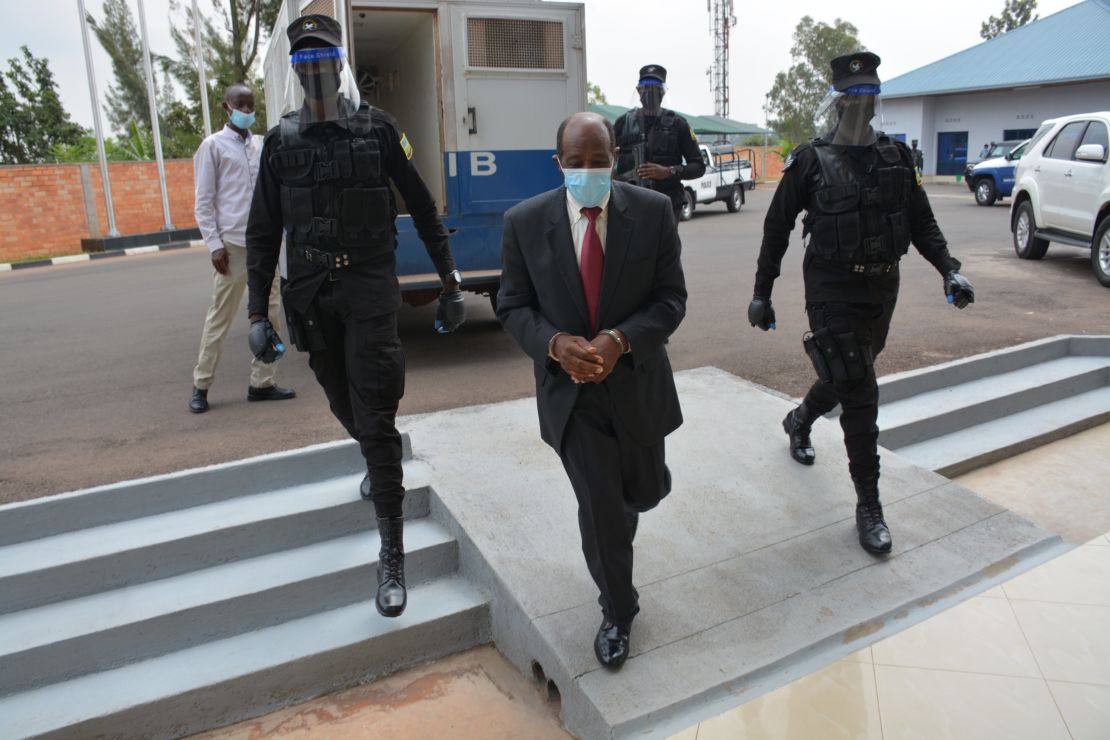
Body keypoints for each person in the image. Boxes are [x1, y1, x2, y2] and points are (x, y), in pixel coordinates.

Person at [245, 14, 466, 619]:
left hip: (369, 290)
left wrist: (449, 278)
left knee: (374, 410)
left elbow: (421, 206)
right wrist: (256, 313)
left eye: (322, 61)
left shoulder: (377, 131)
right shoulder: (279, 143)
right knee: (343, 402)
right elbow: (262, 234)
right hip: (312, 295)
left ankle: (392, 555)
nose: (314, 72)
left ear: (339, 65)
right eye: (303, 64)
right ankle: (379, 455)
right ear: (295, 71)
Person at [746, 52, 975, 555]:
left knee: (847, 374)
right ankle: (869, 504)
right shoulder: (810, 160)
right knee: (860, 390)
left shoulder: (897, 158)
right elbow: (777, 227)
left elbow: (923, 223)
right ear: (838, 102)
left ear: (875, 102)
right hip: (830, 287)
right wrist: (762, 292)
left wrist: (949, 269)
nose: (860, 106)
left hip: (881, 290)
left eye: (869, 96)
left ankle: (800, 419)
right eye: (852, 96)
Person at [497, 112, 687, 670]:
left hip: (637, 384)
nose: (587, 171)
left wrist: (619, 340)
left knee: (641, 494)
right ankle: (618, 611)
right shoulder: (524, 223)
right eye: (575, 162)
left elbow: (670, 300)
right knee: (600, 507)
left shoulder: (652, 214)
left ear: (615, 159)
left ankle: (623, 519)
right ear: (558, 163)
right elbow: (512, 306)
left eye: (598, 160)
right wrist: (555, 345)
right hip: (570, 395)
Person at [189, 83, 295, 414]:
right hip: (232, 248)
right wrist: (214, 245)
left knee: (271, 317)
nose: (247, 112)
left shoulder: (262, 146)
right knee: (219, 319)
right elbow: (203, 202)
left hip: (264, 248)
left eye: (251, 107)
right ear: (226, 107)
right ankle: (201, 385)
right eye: (241, 106)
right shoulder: (213, 147)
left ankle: (262, 383)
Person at [613, 65, 705, 223]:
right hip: (630, 203)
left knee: (666, 247)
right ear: (639, 91)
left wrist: (669, 171)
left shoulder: (678, 124)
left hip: (667, 202)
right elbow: (606, 160)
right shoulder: (623, 123)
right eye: (645, 88)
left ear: (663, 92)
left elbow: (698, 167)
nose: (649, 93)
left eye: (655, 89)